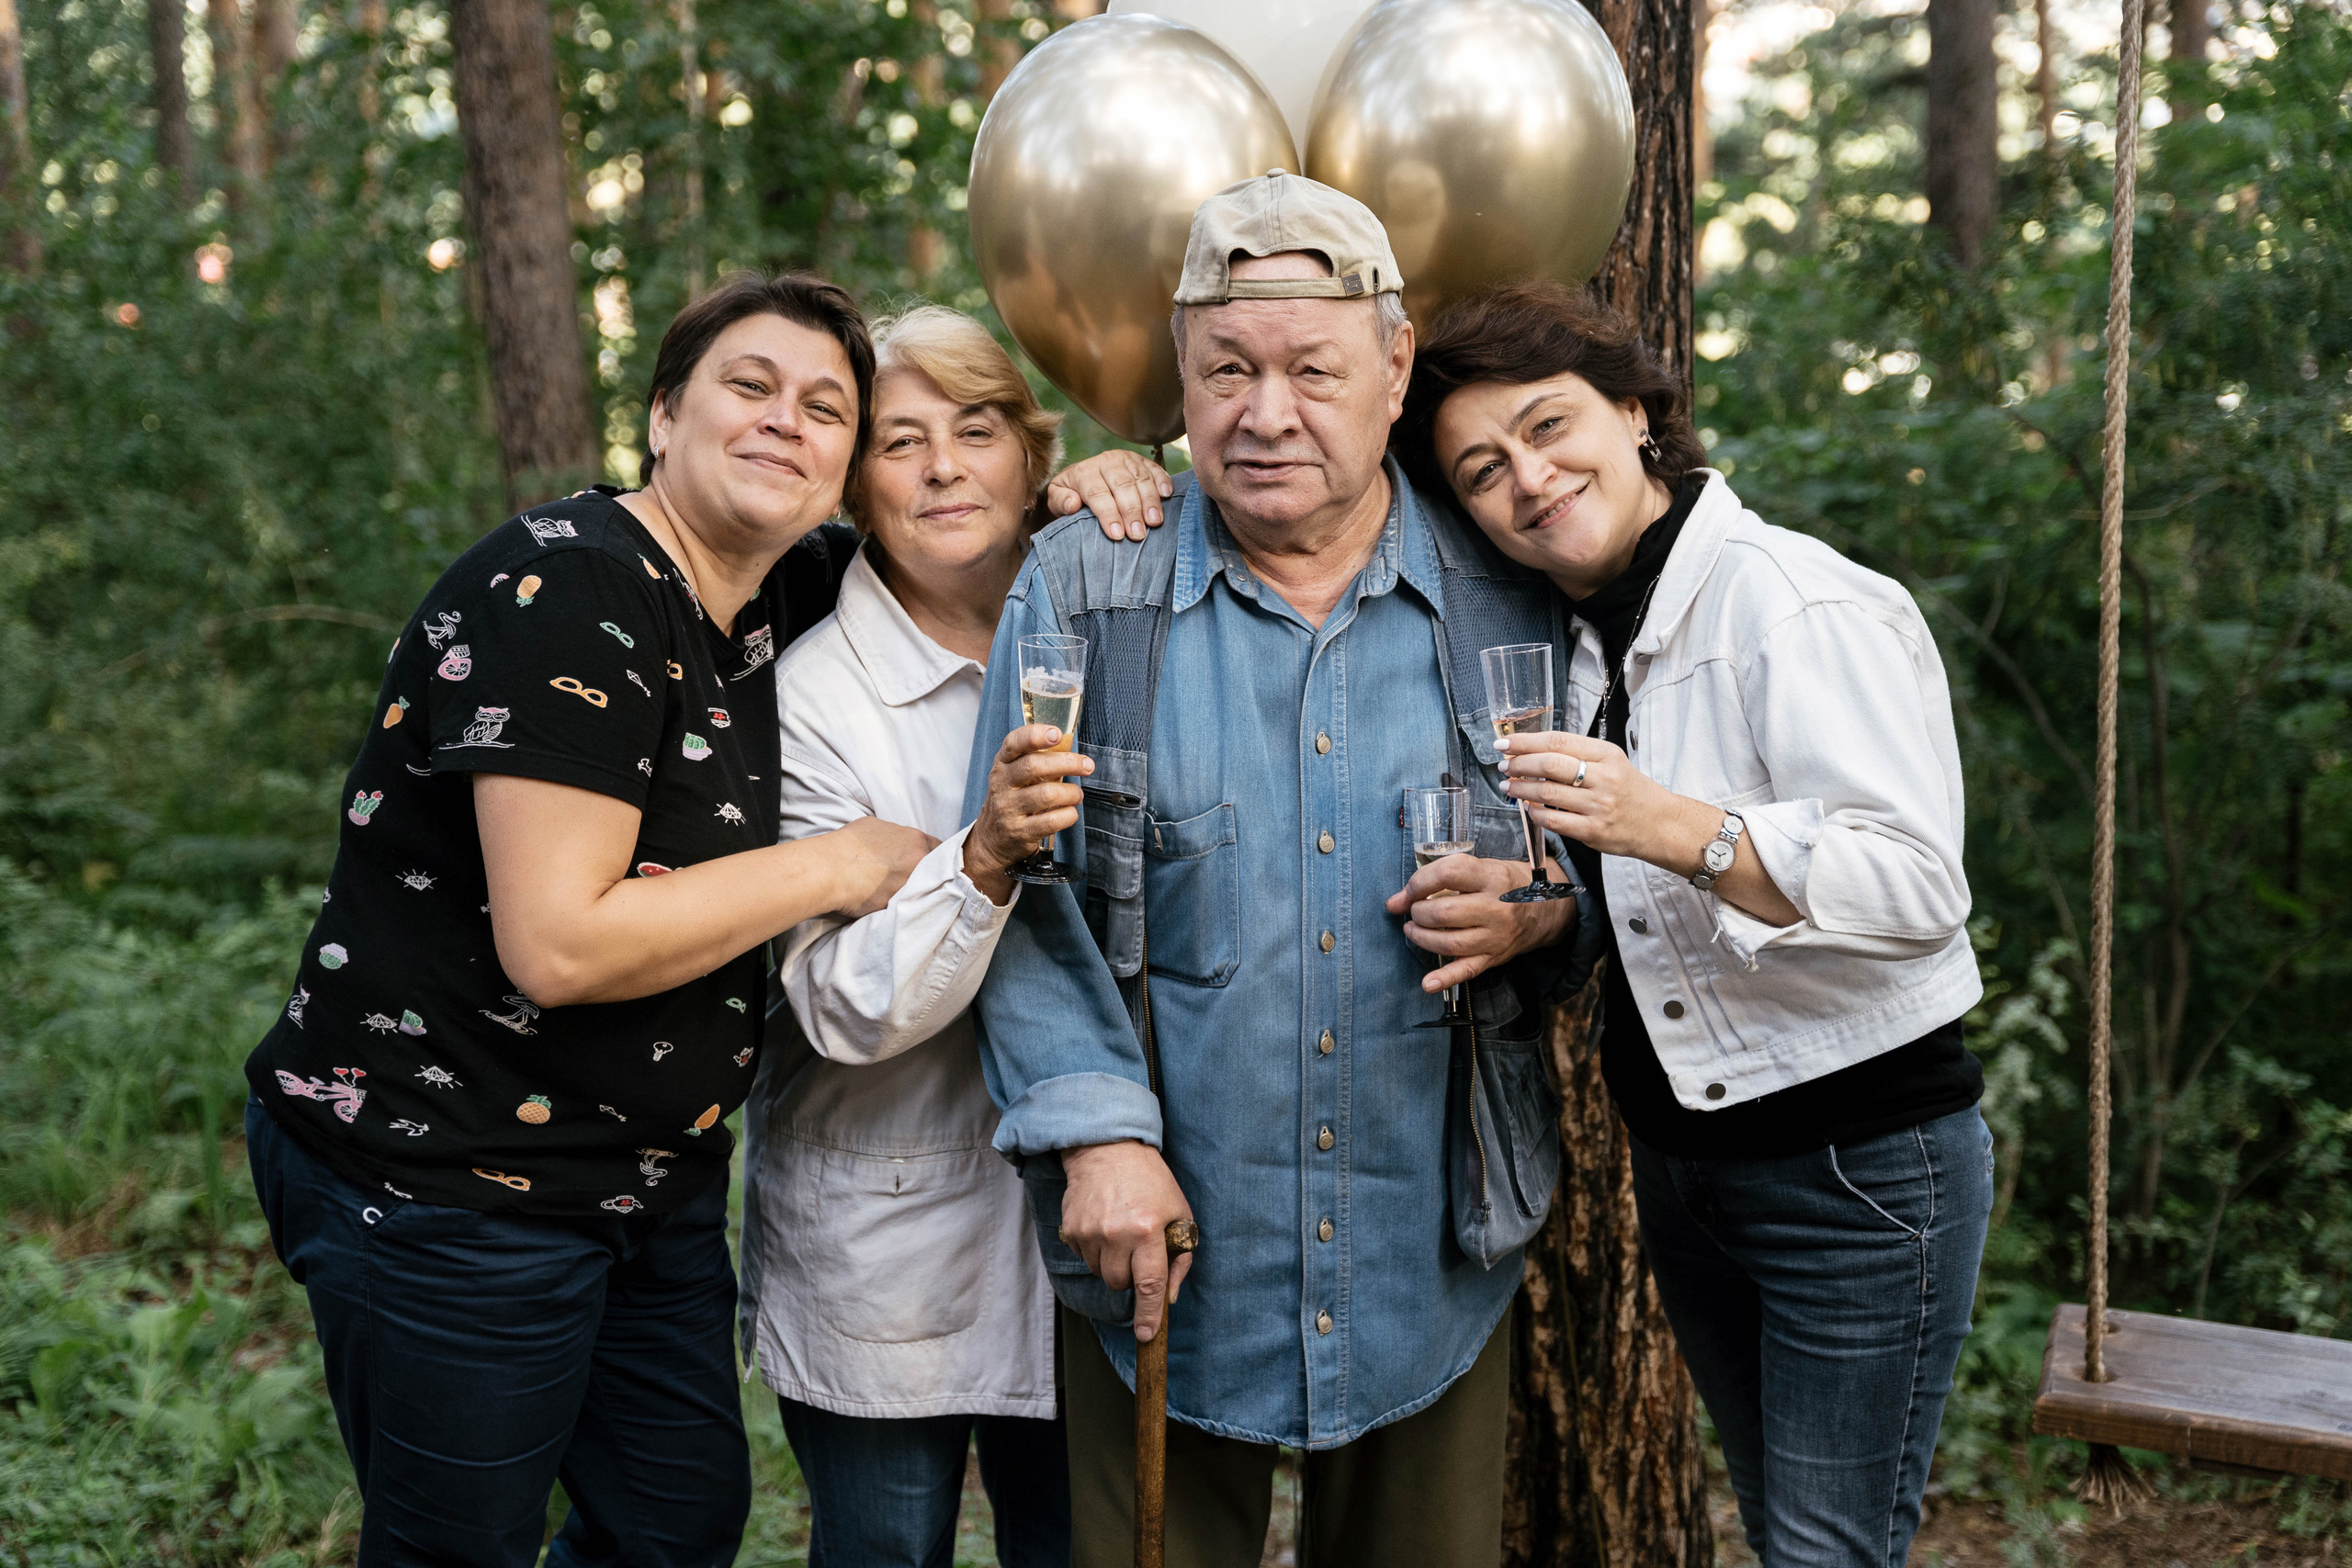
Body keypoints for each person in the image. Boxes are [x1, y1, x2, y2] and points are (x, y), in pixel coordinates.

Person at [242, 272, 940, 1568]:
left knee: (672, 1525)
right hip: (440, 1178)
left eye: (827, 409)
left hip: (644, 1182)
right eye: (751, 386)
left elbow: (959, 525)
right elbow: (560, 948)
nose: (788, 420)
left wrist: (1097, 486)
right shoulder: (567, 591)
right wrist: (839, 865)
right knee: (462, 1548)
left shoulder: (781, 589)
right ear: (665, 415)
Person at [964, 172, 1594, 1568]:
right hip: (1158, 1254)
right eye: (1226, 370)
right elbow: (1020, 897)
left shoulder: (1513, 591)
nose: (1265, 414)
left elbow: (1613, 877)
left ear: (1392, 370)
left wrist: (1543, 912)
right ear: (1179, 382)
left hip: (1429, 1251)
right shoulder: (1084, 589)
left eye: (1312, 369)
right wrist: (1095, 1132)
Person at [1391, 279, 1993, 1568]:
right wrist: (1542, 922)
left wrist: (1676, 824)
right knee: (1789, 1531)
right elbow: (1653, 909)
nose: (1531, 479)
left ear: (1635, 412)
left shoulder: (1794, 602)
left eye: (1552, 428)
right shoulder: (1591, 637)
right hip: (1692, 1174)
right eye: (1484, 468)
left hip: (1857, 1170)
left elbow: (1918, 888)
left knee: (1827, 1549)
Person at [739, 304, 1092, 1568]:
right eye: (902, 440)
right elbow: (839, 1007)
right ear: (855, 484)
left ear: (1030, 456)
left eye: (978, 427)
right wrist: (982, 856)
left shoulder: (1109, 625)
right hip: (887, 1244)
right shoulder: (812, 699)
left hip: (1087, 1232)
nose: (946, 466)